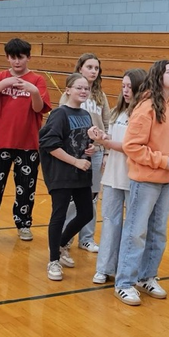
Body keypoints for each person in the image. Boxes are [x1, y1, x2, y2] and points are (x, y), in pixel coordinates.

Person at [114, 60, 169, 306]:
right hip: (145, 181)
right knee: (136, 232)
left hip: (166, 179)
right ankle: (124, 282)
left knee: (158, 233)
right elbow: (131, 146)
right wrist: (162, 161)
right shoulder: (146, 106)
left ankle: (147, 276)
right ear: (159, 76)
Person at [0, 37, 51, 243]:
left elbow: (39, 108)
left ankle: (23, 224)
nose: (17, 62)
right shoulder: (0, 77)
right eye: (13, 58)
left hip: (28, 144)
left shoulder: (37, 80)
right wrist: (4, 83)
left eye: (21, 58)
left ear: (28, 57)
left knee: (26, 187)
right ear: (7, 58)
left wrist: (32, 91)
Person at [39, 73, 102, 281]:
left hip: (81, 174)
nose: (83, 91)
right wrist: (75, 161)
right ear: (68, 90)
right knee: (59, 214)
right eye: (79, 88)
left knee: (86, 213)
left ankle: (62, 243)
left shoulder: (86, 114)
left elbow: (81, 142)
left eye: (86, 88)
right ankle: (53, 260)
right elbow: (48, 144)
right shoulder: (59, 114)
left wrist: (90, 149)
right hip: (62, 174)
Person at [92, 68, 147, 285]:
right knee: (110, 223)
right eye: (123, 86)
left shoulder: (143, 113)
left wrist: (106, 143)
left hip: (135, 177)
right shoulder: (117, 112)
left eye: (129, 86)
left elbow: (131, 147)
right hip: (113, 176)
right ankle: (104, 268)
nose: (125, 90)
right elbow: (114, 140)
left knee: (134, 228)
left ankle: (129, 271)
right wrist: (102, 138)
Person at [60, 52, 111, 253]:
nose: (93, 71)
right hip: (75, 154)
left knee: (92, 196)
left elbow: (106, 124)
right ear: (80, 68)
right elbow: (62, 125)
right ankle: (66, 235)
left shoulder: (101, 96)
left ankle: (87, 238)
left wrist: (106, 152)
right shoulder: (69, 94)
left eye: (96, 68)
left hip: (96, 152)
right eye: (89, 67)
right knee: (73, 197)